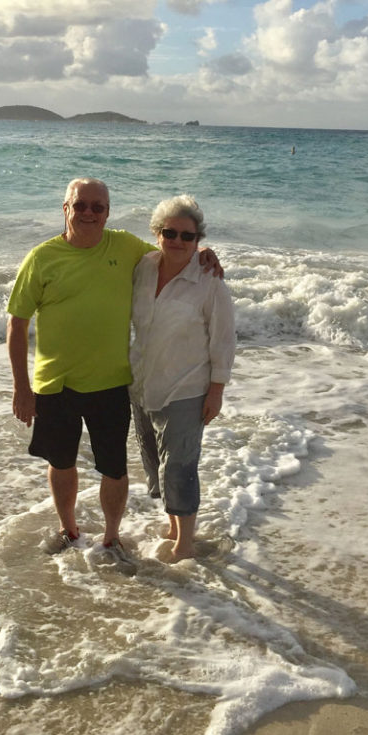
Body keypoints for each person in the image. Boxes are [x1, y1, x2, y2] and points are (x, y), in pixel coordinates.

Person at [6, 177, 221, 559]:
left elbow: (172, 250)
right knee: (61, 462)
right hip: (55, 383)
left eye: (98, 207)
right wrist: (21, 387)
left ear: (108, 212)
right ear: (65, 208)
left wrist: (204, 252)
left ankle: (111, 538)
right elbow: (17, 324)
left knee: (114, 468)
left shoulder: (124, 247)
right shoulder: (41, 257)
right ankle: (68, 529)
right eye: (80, 205)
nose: (89, 213)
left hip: (112, 383)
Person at [129, 195, 236, 561]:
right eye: (169, 232)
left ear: (198, 240)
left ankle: (185, 544)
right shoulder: (142, 266)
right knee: (155, 460)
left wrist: (216, 391)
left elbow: (223, 339)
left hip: (188, 387)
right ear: (157, 234)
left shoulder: (210, 280)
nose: (177, 241)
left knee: (180, 464)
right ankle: (174, 525)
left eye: (187, 236)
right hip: (142, 383)